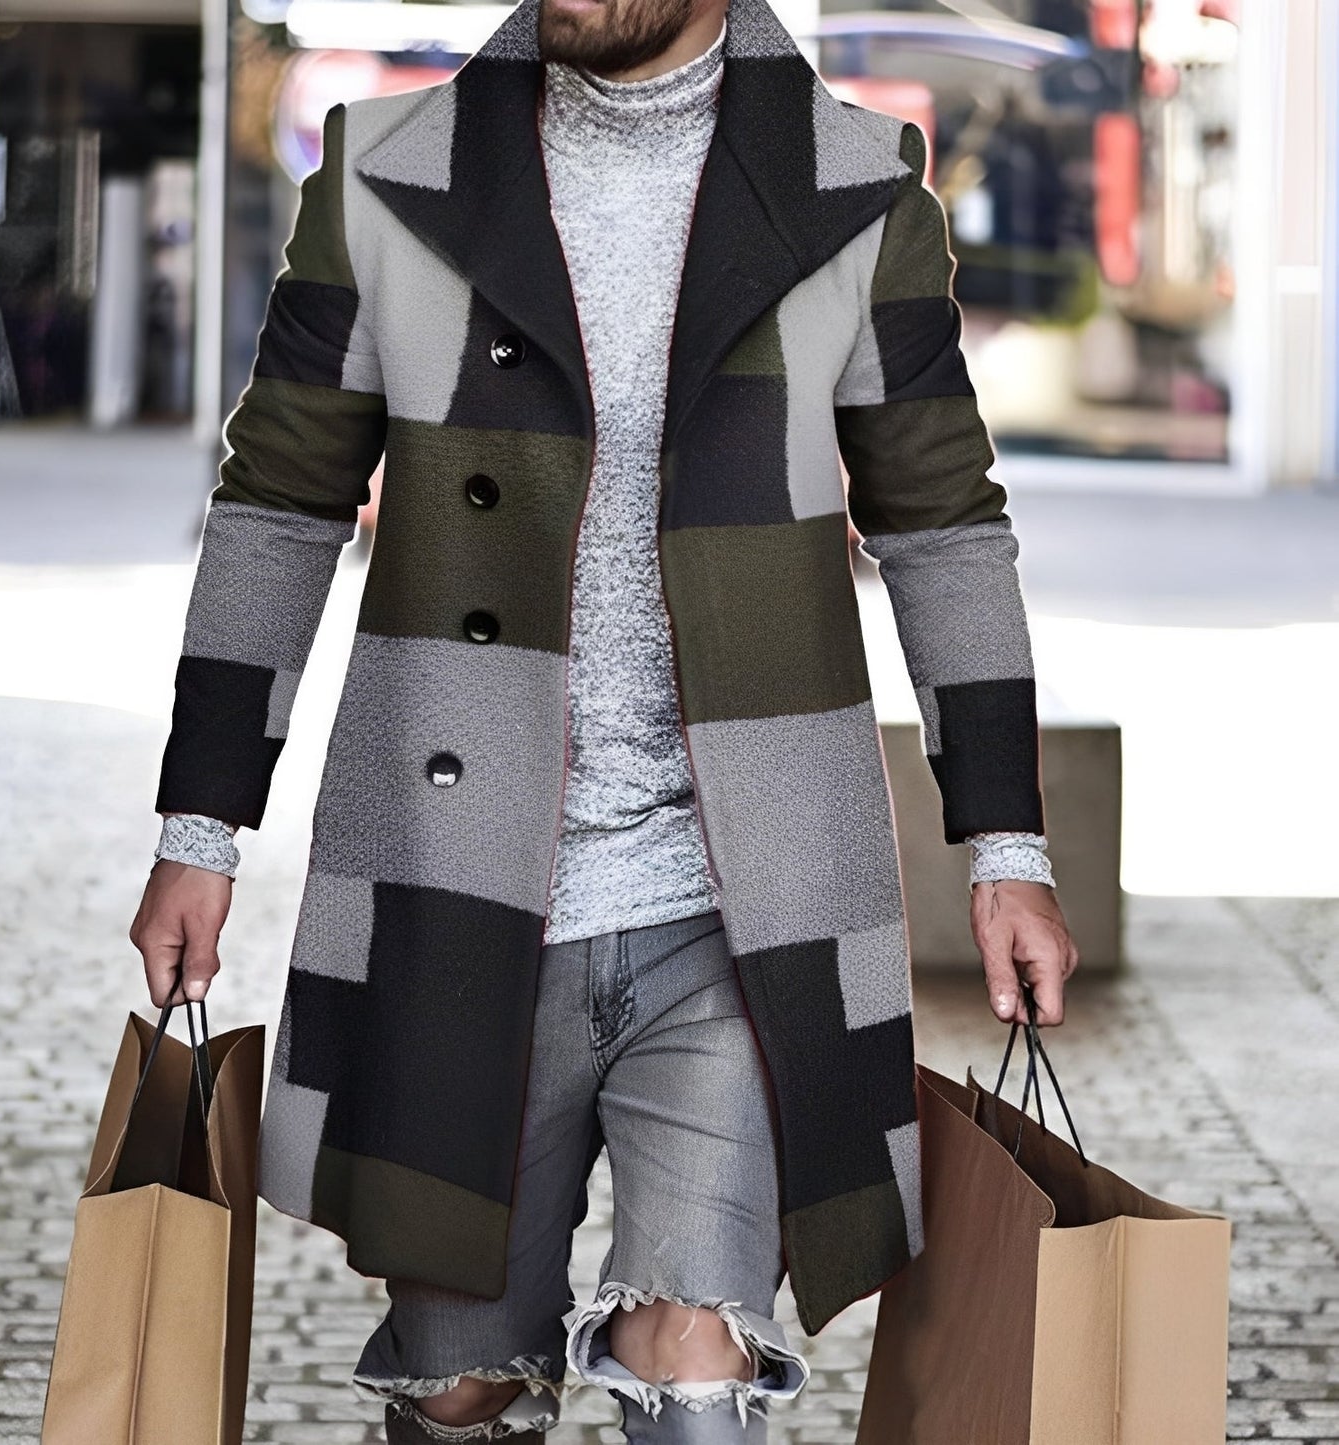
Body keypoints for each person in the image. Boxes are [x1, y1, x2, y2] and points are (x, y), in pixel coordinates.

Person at [129, 0, 1080, 1437]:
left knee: (694, 1370)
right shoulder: (388, 175)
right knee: (459, 1385)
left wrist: (1007, 843)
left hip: (740, 906)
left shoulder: (852, 189)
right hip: (455, 892)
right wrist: (201, 827)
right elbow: (277, 506)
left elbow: (943, 523)